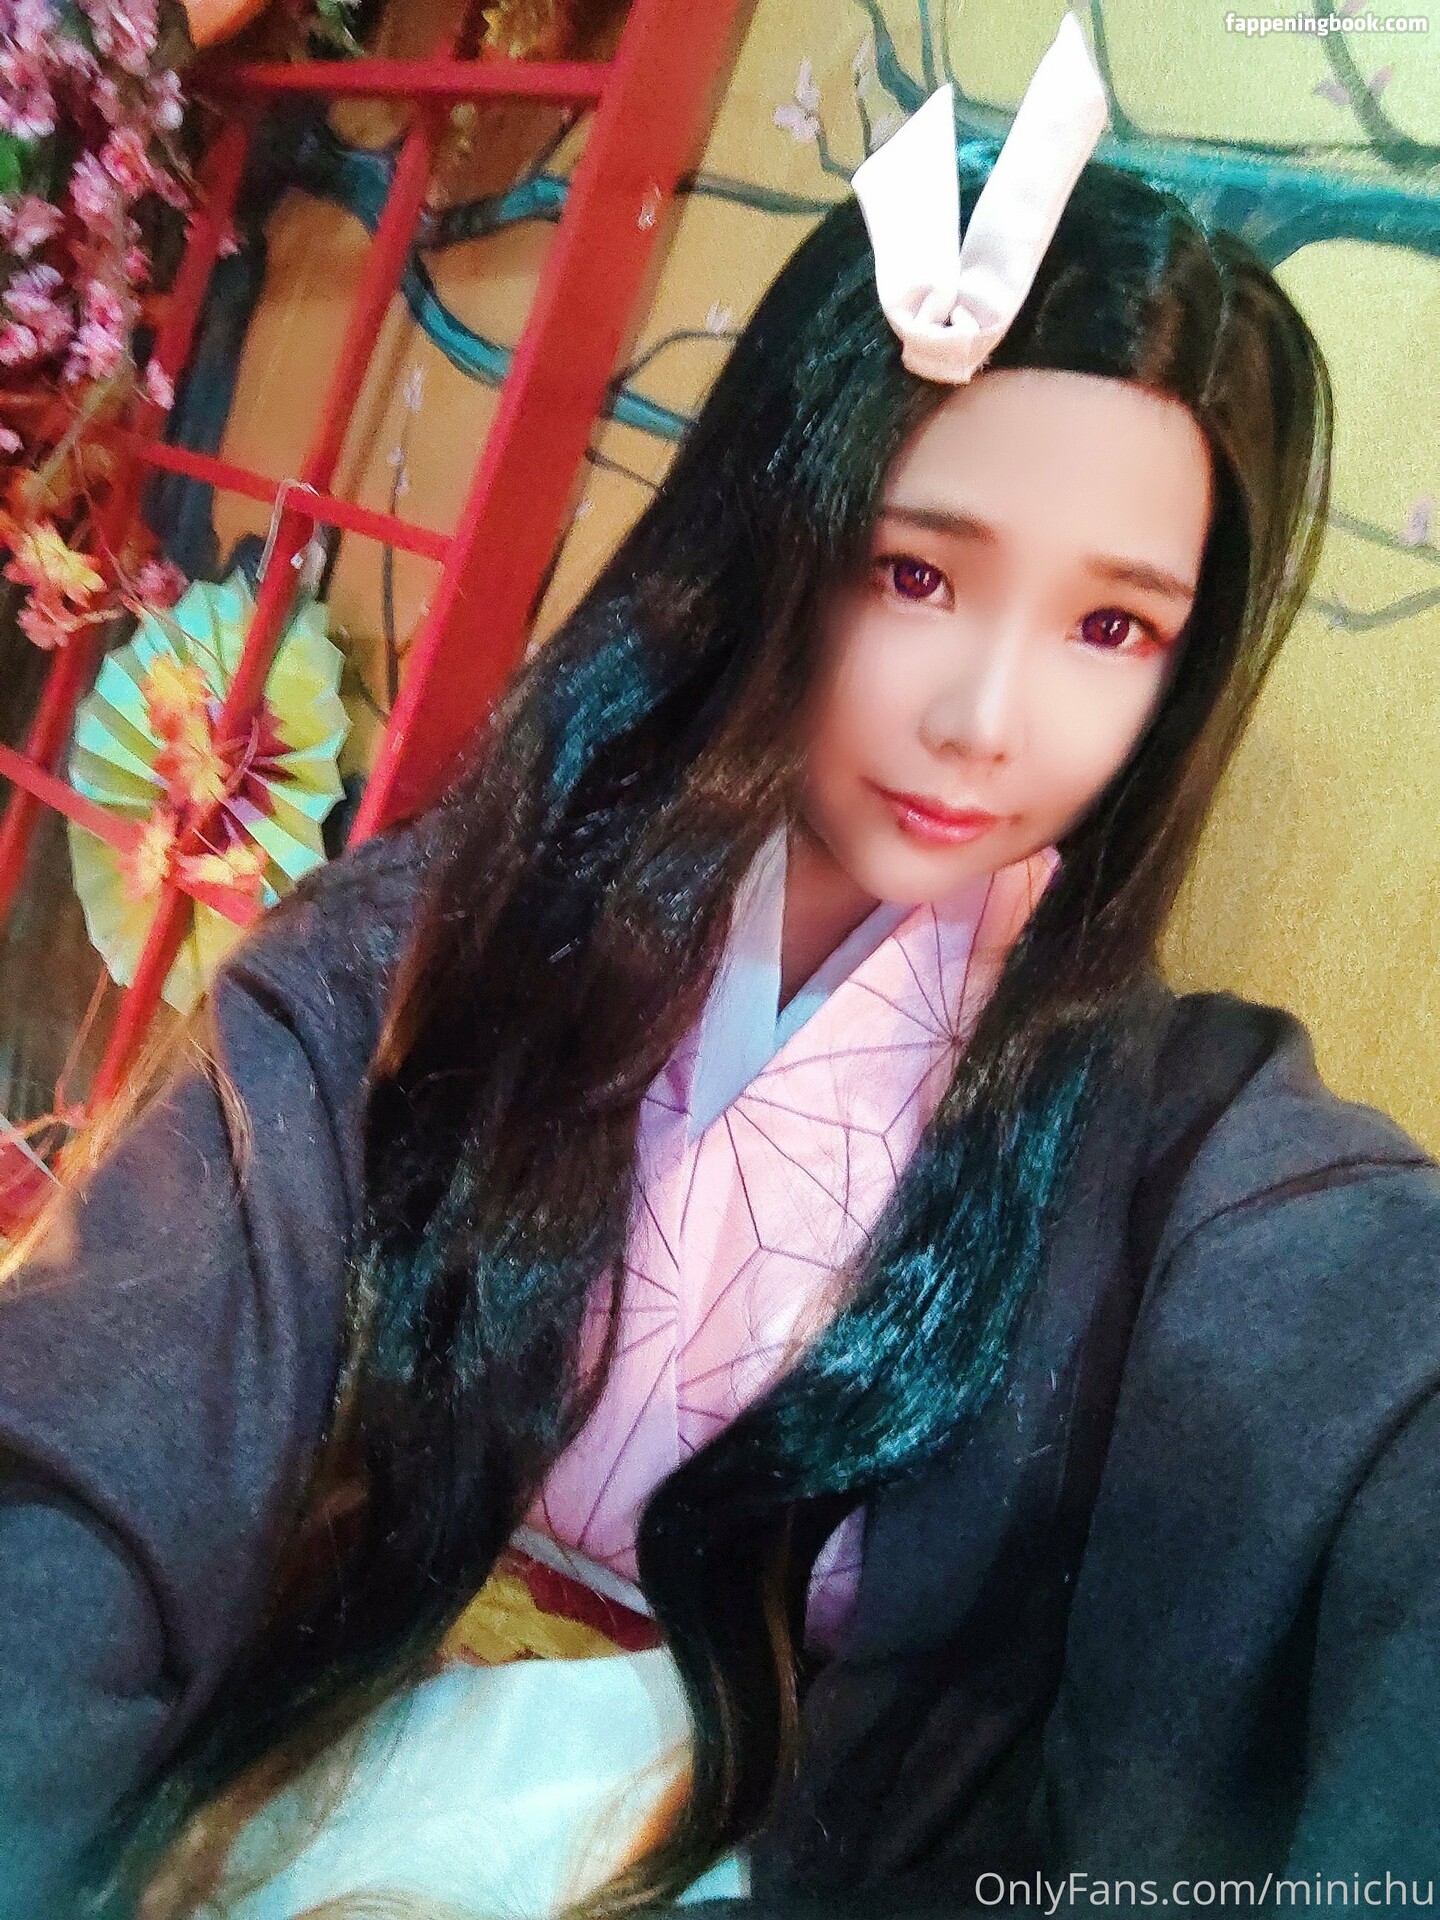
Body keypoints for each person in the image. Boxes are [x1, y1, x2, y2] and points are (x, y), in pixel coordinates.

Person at [2, 16, 1439, 1919]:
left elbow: (1381, 1375)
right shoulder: (444, 942)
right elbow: (96, 1438)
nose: (987, 719)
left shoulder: (1175, 1137)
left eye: (1112, 627)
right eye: (917, 574)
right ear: (781, 532)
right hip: (310, 1772)